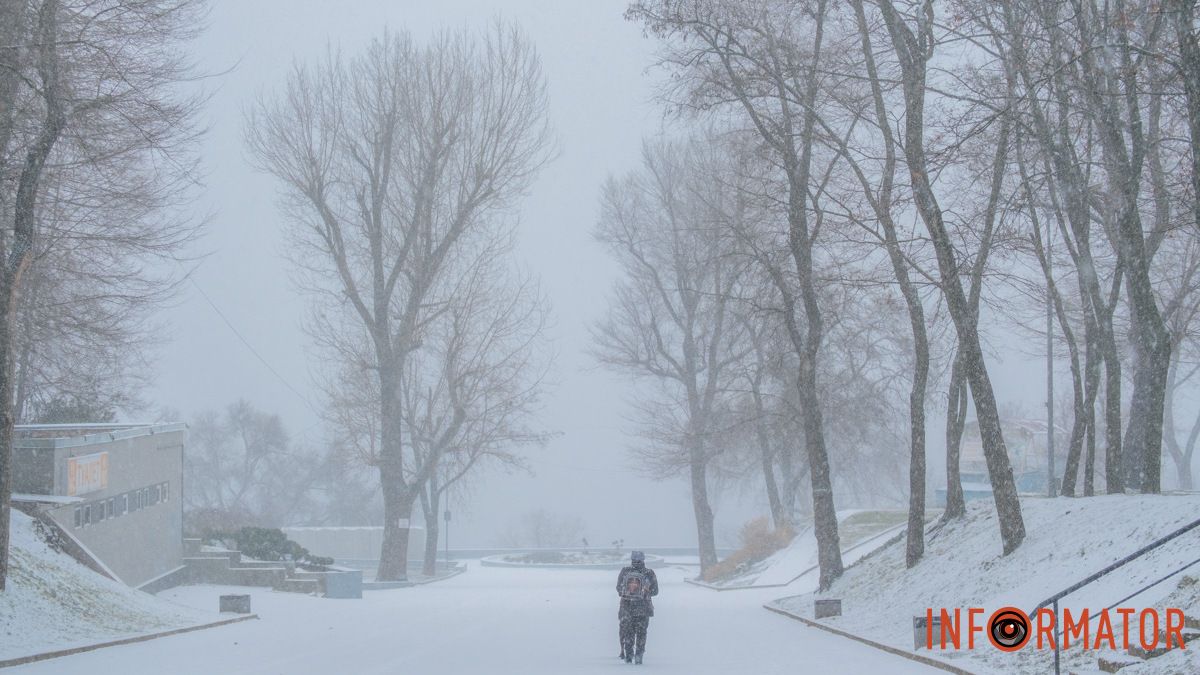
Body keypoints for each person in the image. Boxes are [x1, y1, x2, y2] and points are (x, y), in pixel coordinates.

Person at [616, 550, 658, 664]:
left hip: (626, 608)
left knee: (628, 633)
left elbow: (619, 589)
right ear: (643, 560)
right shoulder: (649, 573)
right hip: (643, 609)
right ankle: (639, 656)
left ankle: (629, 657)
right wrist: (646, 591)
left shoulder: (625, 571)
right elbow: (655, 591)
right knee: (641, 634)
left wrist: (627, 592)